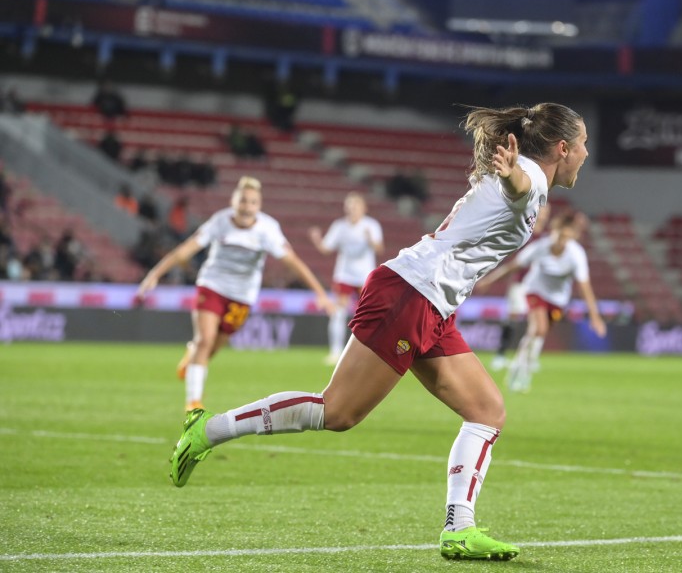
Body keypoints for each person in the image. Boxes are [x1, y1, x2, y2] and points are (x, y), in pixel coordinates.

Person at [166, 103, 590, 561]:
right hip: (410, 293)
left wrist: (511, 178)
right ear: (562, 148)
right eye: (583, 143)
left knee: (487, 410)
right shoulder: (529, 176)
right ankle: (208, 430)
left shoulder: (529, 177)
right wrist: (511, 177)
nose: (586, 153)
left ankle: (458, 529)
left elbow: (516, 193)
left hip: (431, 302)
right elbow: (520, 190)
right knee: (338, 411)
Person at [136, 176, 335, 412]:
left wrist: (320, 293)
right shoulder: (219, 222)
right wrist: (155, 274)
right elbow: (185, 250)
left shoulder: (268, 229)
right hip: (212, 285)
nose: (246, 207)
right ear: (234, 202)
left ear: (258, 206)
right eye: (243, 201)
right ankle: (193, 402)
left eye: (252, 202)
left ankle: (192, 357)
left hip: (242, 296)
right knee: (205, 340)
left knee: (214, 346)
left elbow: (293, 262)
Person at [480, 211, 606, 392]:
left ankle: (521, 364)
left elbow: (585, 288)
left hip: (557, 300)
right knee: (538, 328)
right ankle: (521, 371)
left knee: (540, 333)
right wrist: (489, 281)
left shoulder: (577, 255)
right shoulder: (540, 247)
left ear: (574, 237)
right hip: (535, 291)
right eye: (559, 235)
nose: (561, 240)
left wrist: (595, 317)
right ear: (553, 231)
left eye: (567, 237)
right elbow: (512, 266)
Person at [308, 192, 384, 365]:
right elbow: (326, 249)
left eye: (355, 206)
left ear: (363, 208)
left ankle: (370, 352)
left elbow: (379, 248)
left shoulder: (371, 225)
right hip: (344, 274)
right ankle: (335, 352)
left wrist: (370, 240)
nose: (352, 209)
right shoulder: (340, 226)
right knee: (339, 312)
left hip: (365, 275)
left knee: (367, 314)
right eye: (349, 206)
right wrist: (317, 240)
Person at [489, 203, 551, 371]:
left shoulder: (547, 238)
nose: (544, 214)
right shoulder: (525, 231)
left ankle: (530, 359)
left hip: (538, 286)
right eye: (543, 210)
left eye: (547, 212)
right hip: (520, 283)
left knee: (537, 322)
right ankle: (500, 356)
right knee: (513, 317)